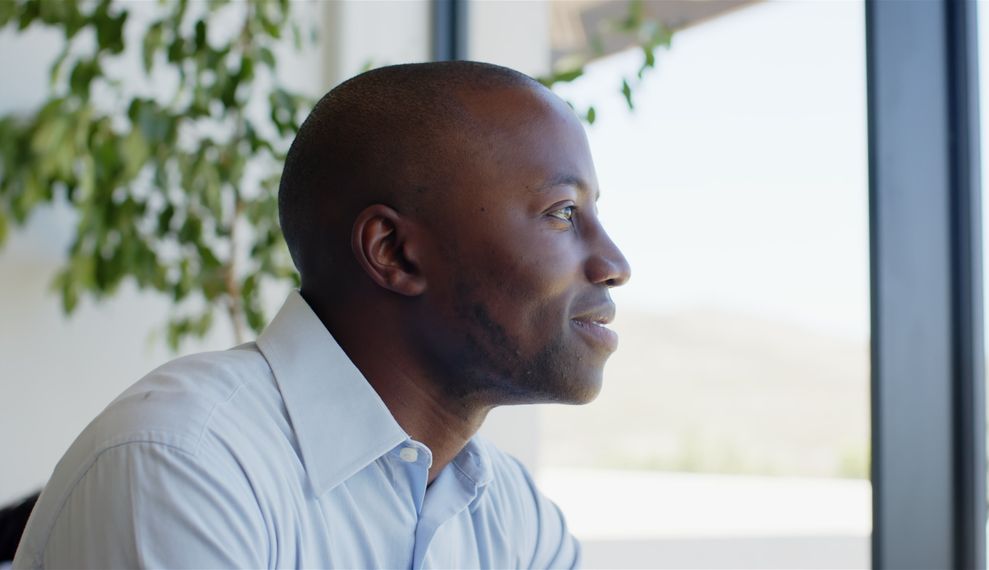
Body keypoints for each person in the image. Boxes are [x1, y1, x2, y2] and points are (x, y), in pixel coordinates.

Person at [13, 61, 630, 569]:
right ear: (392, 252)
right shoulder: (182, 465)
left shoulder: (510, 513)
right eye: (562, 213)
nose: (613, 263)